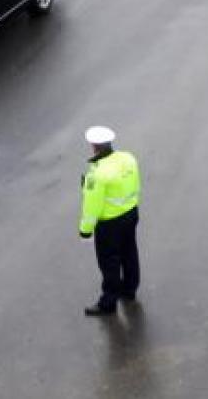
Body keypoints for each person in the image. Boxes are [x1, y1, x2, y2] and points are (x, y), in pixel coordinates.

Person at [79, 126, 141, 316]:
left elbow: (92, 208)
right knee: (129, 252)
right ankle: (129, 290)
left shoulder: (95, 175)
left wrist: (85, 230)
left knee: (109, 262)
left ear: (93, 146)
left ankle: (108, 302)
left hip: (110, 224)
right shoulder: (128, 158)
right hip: (130, 213)